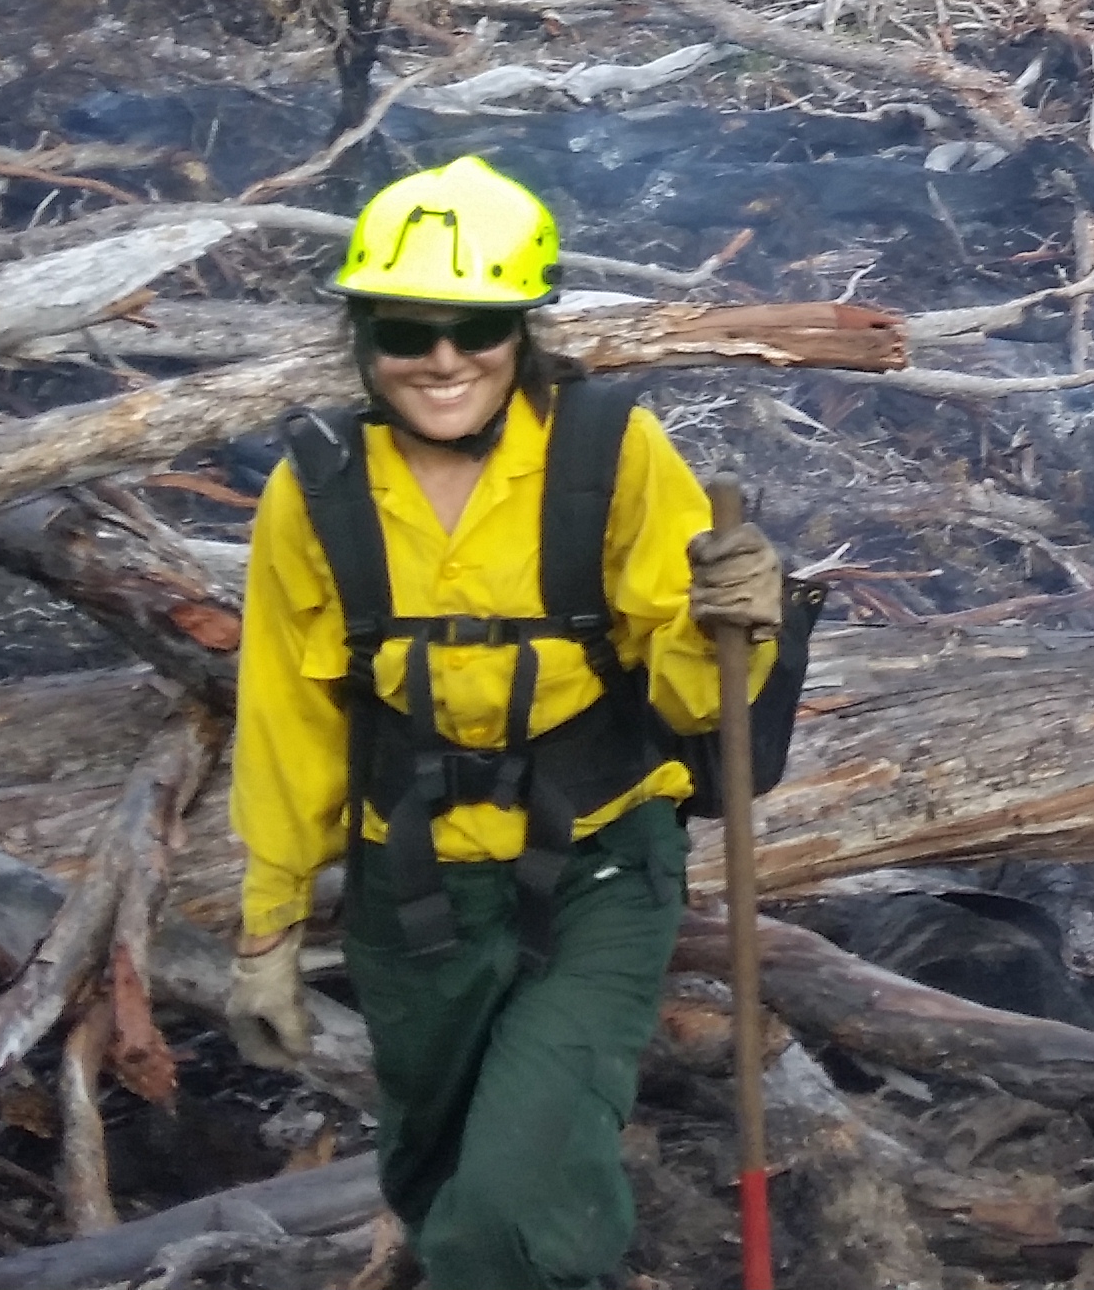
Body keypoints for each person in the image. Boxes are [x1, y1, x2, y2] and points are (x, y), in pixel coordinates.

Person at [216, 156, 783, 1290]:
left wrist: (741, 617)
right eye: (403, 329)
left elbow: (693, 696)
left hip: (598, 875)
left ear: (523, 326)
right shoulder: (317, 490)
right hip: (410, 891)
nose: (440, 359)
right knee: (434, 1188)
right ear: (363, 336)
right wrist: (267, 937)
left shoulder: (605, 453)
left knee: (514, 1221)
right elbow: (289, 714)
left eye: (474, 325)